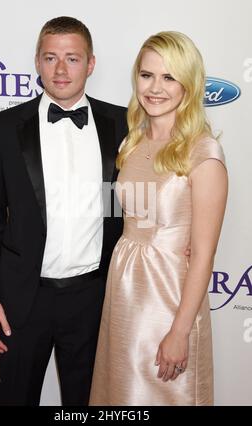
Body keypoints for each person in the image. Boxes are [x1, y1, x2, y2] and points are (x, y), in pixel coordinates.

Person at [0, 16, 127, 406]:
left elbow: (133, 208)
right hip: (23, 301)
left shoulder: (123, 124)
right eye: (50, 58)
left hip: (94, 299)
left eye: (72, 59)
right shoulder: (5, 127)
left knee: (88, 405)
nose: (61, 70)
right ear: (37, 62)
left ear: (90, 64)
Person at [89, 31, 228, 406]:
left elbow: (202, 255)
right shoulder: (131, 143)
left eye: (169, 77)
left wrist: (180, 331)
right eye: (147, 75)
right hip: (123, 293)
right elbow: (120, 213)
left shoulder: (204, 153)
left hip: (168, 300)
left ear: (189, 84)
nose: (155, 88)